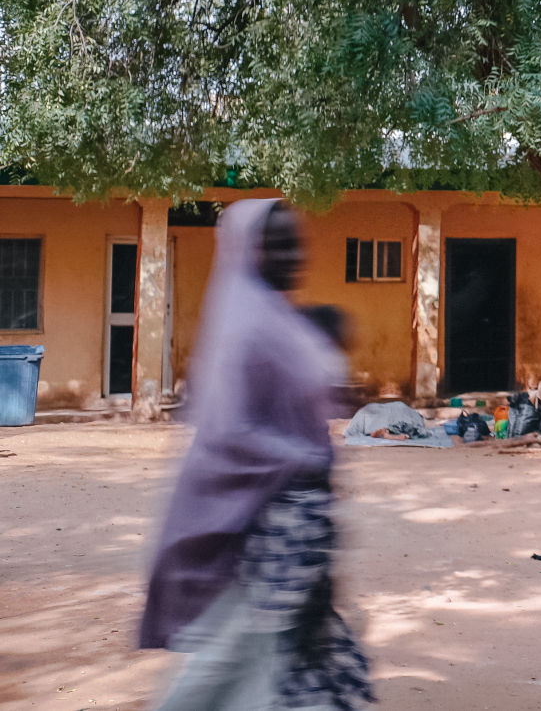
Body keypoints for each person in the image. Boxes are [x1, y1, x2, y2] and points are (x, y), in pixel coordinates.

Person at [141, 199, 372, 711]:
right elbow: (229, 429)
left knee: (267, 664)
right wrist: (303, 459)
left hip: (295, 533)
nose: (293, 254)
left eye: (297, 240)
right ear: (249, 248)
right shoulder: (242, 326)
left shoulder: (278, 319)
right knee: (227, 666)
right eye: (278, 242)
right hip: (252, 529)